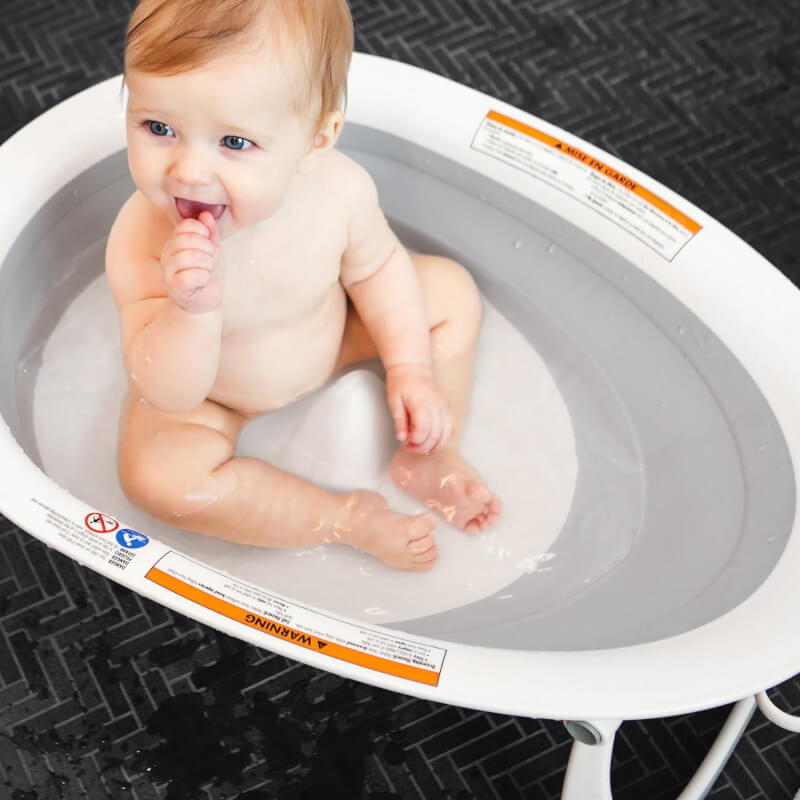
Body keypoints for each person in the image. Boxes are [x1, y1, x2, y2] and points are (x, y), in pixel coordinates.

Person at [106, 0, 502, 571]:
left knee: (449, 292)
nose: (188, 172)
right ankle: (342, 518)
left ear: (316, 141)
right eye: (159, 128)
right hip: (214, 397)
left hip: (332, 337)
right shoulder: (140, 236)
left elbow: (377, 270)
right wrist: (189, 310)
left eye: (234, 142)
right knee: (157, 480)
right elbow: (166, 390)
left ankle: (432, 454)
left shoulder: (339, 191)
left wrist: (410, 367)